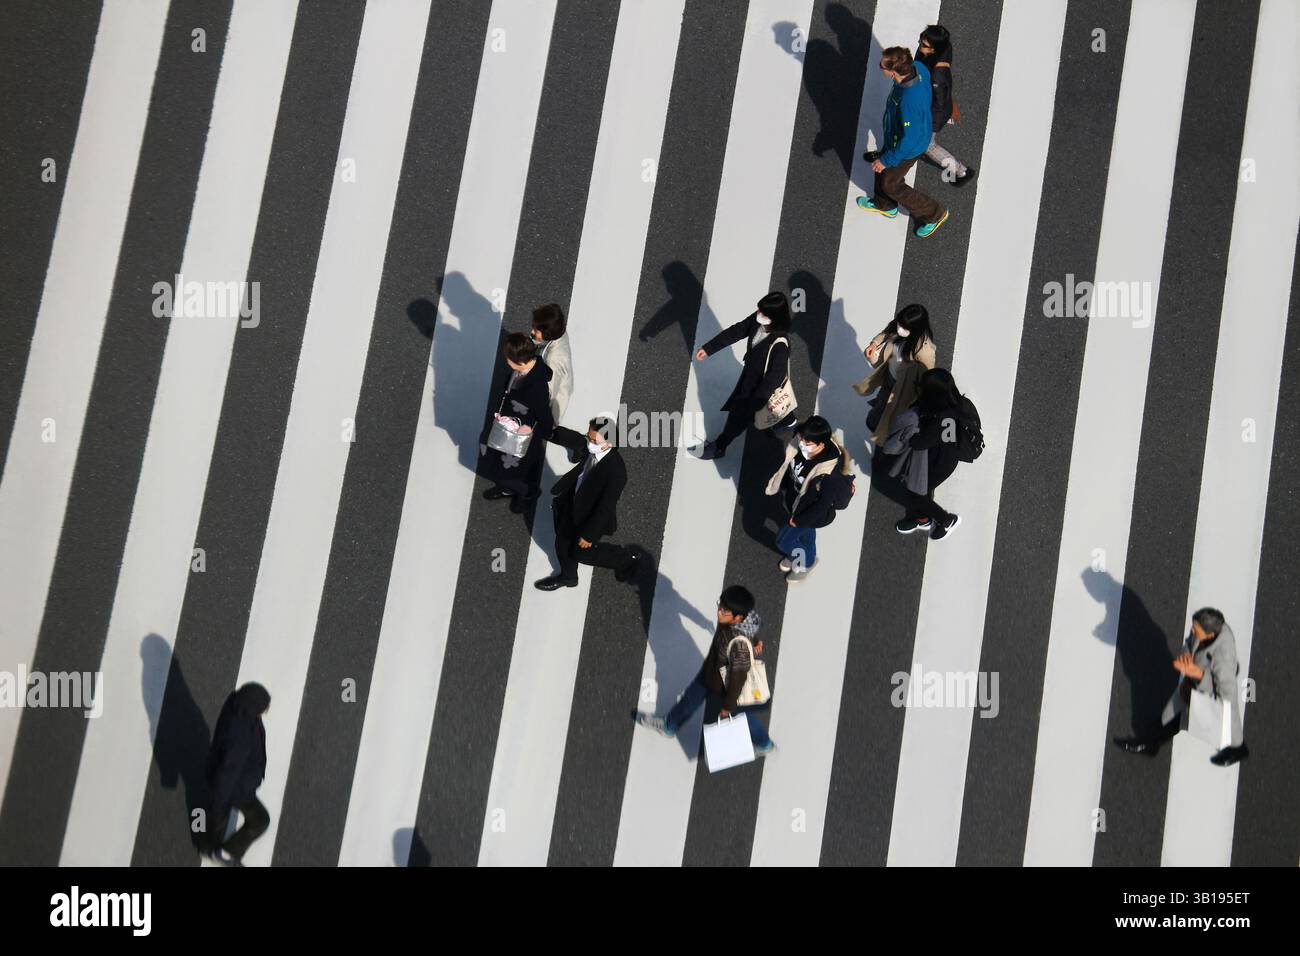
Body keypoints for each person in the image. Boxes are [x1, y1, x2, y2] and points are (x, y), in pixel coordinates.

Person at [634, 585, 774, 755]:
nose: (719, 613)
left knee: (742, 716)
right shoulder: (743, 620)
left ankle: (764, 743)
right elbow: (749, 633)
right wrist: (754, 640)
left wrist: (728, 706)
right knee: (690, 699)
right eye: (720, 606)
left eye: (725, 611)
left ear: (738, 618)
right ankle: (669, 725)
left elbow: (737, 679)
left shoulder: (738, 646)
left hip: (721, 682)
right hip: (711, 670)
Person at [1114, 608, 1249, 766]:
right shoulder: (1208, 631)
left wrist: (1197, 673)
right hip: (1193, 686)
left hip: (1205, 691)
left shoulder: (1223, 657)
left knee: (1184, 716)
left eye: (1195, 630)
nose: (1192, 631)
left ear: (1210, 634)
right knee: (1176, 713)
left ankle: (1150, 742)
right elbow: (1190, 642)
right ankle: (1152, 740)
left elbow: (1227, 694)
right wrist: (1186, 655)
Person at [534, 417, 641, 591]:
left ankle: (626, 560)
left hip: (587, 517)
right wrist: (542, 424)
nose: (589, 443)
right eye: (589, 437)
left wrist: (589, 535)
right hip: (572, 503)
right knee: (562, 543)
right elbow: (574, 439)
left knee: (582, 553)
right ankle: (569, 577)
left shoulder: (616, 472)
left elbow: (605, 507)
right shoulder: (592, 447)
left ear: (609, 443)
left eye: (593, 440)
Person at [693, 291, 798, 461]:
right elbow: (737, 330)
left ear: (774, 317)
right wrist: (709, 348)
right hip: (750, 377)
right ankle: (788, 421)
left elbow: (773, 379)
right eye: (759, 309)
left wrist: (754, 404)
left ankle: (720, 446)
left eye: (763, 312)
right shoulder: (760, 319)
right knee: (777, 404)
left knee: (738, 417)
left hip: (756, 388)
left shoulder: (780, 345)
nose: (758, 313)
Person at [856, 46, 949, 238]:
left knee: (890, 182)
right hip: (898, 136)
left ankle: (934, 213)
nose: (880, 67)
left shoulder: (909, 101)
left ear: (894, 71)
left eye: (882, 65)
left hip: (909, 147)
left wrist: (888, 160)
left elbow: (910, 140)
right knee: (882, 167)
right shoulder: (917, 67)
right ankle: (885, 205)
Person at [764, 415, 855, 582]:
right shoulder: (802, 441)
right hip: (796, 502)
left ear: (821, 444)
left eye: (807, 443)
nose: (801, 443)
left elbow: (822, 505)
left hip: (809, 513)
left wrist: (799, 520)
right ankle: (800, 555)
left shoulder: (829, 474)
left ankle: (806, 562)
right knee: (807, 536)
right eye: (802, 439)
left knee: (783, 541)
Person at [880, 368, 966, 540]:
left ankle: (946, 519)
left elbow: (918, 443)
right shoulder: (954, 404)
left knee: (916, 492)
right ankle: (921, 517)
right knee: (923, 488)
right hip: (945, 458)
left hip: (938, 462)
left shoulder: (937, 419)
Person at [481, 332, 554, 512]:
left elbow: (544, 414)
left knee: (514, 470)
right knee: (502, 464)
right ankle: (508, 488)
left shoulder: (536, 387)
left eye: (508, 359)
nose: (506, 362)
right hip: (508, 425)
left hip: (521, 434)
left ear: (520, 362)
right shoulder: (522, 370)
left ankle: (527, 492)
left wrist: (545, 432)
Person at [205, 682, 271, 867]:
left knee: (220, 815)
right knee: (260, 821)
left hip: (222, 771)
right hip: (238, 787)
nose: (266, 709)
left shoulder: (235, 703)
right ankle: (225, 853)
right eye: (263, 707)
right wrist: (218, 801)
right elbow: (229, 772)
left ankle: (210, 841)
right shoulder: (239, 740)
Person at [853, 303, 937, 449]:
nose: (899, 329)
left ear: (916, 329)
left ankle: (883, 436)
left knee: (893, 412)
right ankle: (876, 424)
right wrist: (874, 344)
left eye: (905, 327)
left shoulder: (924, 351)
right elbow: (885, 333)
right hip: (890, 377)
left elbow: (927, 375)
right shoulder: (900, 328)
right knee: (882, 402)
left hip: (904, 388)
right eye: (900, 324)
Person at [915, 24, 975, 187]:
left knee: (929, 146)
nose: (920, 46)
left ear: (935, 49)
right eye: (921, 40)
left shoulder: (938, 77)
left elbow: (939, 105)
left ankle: (961, 171)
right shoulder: (942, 48)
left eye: (925, 45)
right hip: (930, 106)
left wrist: (930, 126)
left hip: (934, 114)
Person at [531, 303, 573, 424]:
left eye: (536, 330)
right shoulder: (559, 333)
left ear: (548, 334)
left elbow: (548, 392)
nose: (532, 331)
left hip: (551, 408)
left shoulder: (554, 360)